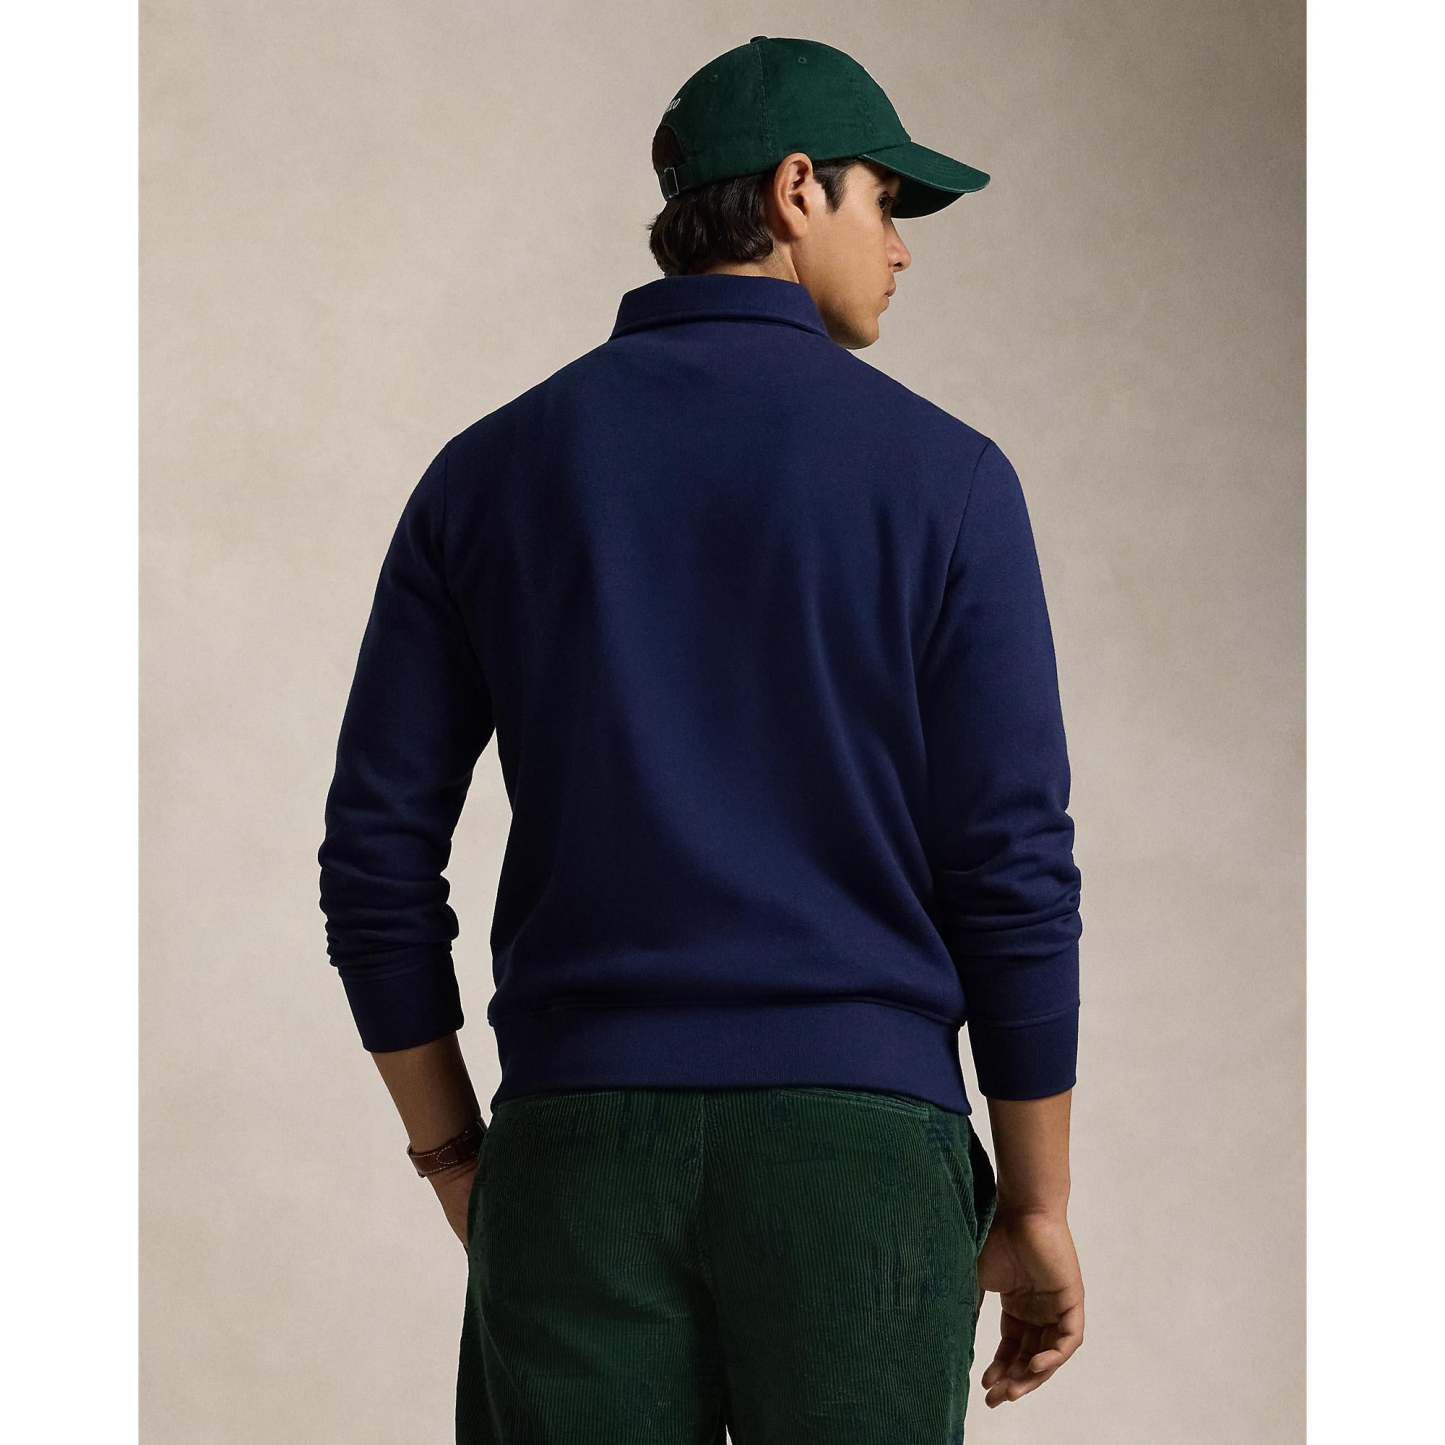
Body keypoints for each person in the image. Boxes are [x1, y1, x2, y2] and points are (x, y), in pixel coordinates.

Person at [317, 34, 1085, 1443]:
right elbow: (1012, 863)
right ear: (796, 191)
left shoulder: (487, 475)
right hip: (859, 1147)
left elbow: (373, 859)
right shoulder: (950, 480)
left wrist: (459, 1157)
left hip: (577, 1143)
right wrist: (1034, 1203)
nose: (900, 249)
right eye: (884, 202)